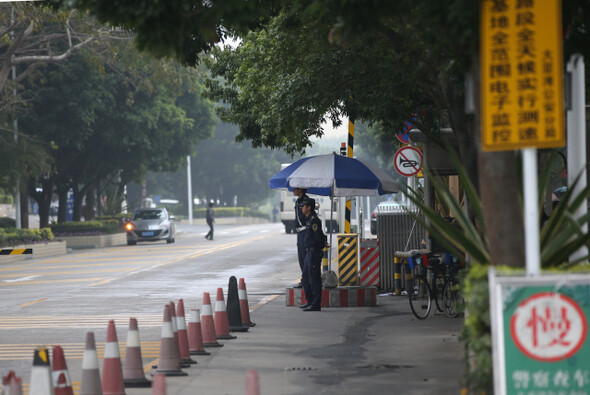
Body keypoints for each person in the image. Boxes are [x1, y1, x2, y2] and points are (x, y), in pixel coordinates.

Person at [299, 197, 328, 312]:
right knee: (306, 278)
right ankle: (310, 301)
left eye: (304, 206)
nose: (302, 208)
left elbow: (318, 236)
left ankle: (316, 304)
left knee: (314, 278)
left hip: (314, 252)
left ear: (309, 208)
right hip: (308, 252)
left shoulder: (314, 220)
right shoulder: (308, 220)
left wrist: (322, 244)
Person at [293, 188, 309, 288]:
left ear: (301, 189)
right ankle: (305, 279)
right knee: (301, 257)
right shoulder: (298, 201)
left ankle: (306, 281)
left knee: (306, 257)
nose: (293, 190)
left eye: (295, 188)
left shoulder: (306, 201)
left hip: (305, 231)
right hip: (300, 233)